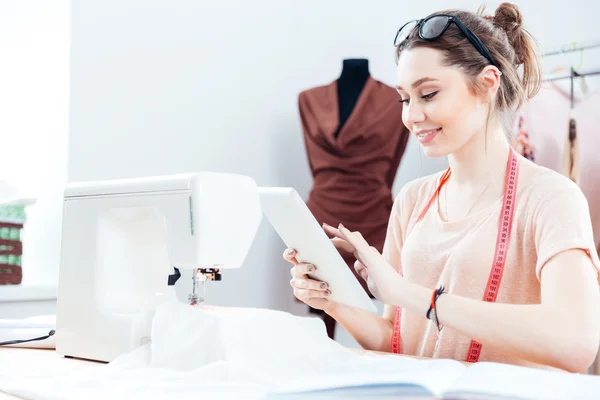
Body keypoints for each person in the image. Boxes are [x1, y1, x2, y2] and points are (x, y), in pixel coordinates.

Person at [284, 2, 600, 373]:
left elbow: (576, 344)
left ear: (487, 84)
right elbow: (398, 340)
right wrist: (332, 300)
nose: (411, 115)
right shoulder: (412, 201)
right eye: (404, 98)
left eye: (428, 94)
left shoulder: (551, 199)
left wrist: (417, 298)